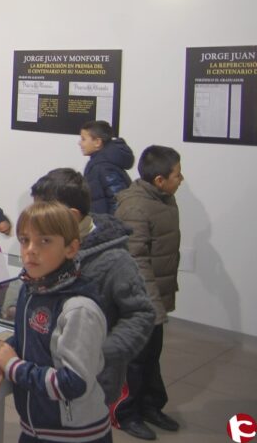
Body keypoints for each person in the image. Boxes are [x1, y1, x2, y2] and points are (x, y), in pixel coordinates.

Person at [0, 201, 111, 443]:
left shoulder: (78, 309)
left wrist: (13, 366)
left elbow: (73, 383)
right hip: (35, 428)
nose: (30, 250)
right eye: (25, 240)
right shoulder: (33, 288)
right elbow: (27, 339)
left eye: (44, 241)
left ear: (71, 248)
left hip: (75, 435)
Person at [30, 168, 154, 411]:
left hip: (92, 382)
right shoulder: (48, 243)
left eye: (45, 215)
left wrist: (101, 352)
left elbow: (141, 314)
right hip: (46, 374)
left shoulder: (115, 260)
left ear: (73, 215)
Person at [112, 145, 184, 440]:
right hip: (139, 301)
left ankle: (150, 406)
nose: (181, 179)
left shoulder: (165, 199)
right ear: (159, 180)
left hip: (156, 298)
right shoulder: (135, 207)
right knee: (135, 360)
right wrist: (152, 305)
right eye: (177, 175)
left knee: (152, 355)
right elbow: (136, 260)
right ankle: (125, 413)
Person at [79, 120, 134, 215]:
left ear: (97, 142)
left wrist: (108, 226)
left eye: (83, 139)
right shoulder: (102, 162)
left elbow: (117, 202)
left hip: (108, 225)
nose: (80, 143)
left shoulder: (102, 167)